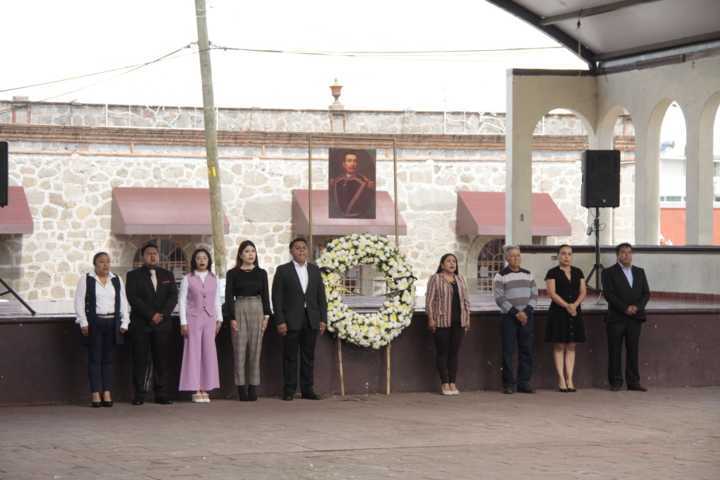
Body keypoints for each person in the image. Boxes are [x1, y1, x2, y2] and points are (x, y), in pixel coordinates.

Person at [271, 237, 328, 401]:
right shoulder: (283, 270)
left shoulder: (314, 270)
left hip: (311, 319)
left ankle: (307, 389)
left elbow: (321, 297)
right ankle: (289, 390)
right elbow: (277, 298)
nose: (301, 250)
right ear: (291, 251)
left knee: (308, 356)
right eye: (297, 248)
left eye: (304, 248)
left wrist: (323, 319)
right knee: (290, 356)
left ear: (307, 251)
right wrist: (280, 321)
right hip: (290, 320)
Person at [74, 252, 129, 408]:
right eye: (101, 262)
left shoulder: (116, 279)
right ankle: (95, 393)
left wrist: (125, 321)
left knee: (108, 360)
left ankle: (107, 392)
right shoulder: (86, 279)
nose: (105, 265)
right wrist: (83, 322)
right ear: (95, 264)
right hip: (95, 322)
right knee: (94, 359)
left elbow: (123, 302)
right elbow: (79, 302)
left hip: (112, 322)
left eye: (108, 262)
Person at [126, 242, 179, 405]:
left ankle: (161, 394)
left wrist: (162, 314)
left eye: (155, 253)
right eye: (149, 253)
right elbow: (133, 298)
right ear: (143, 256)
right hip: (141, 324)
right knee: (140, 360)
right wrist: (151, 315)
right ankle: (139, 394)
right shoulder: (133, 275)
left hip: (162, 324)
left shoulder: (167, 275)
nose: (152, 256)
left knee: (161, 360)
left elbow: (173, 297)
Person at [225, 240, 271, 401]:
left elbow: (266, 295)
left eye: (253, 251)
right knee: (239, 350)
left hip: (257, 308)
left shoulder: (262, 273)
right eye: (246, 251)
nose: (250, 254)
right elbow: (229, 297)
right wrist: (232, 317)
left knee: (255, 350)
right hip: (239, 308)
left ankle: (253, 387)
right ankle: (241, 388)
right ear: (240, 255)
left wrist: (266, 316)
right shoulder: (232, 273)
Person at [601, 242, 651, 392]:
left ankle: (633, 382)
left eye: (629, 252)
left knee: (633, 350)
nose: (626, 255)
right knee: (615, 350)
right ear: (617, 255)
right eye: (623, 252)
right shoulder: (608, 272)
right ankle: (616, 382)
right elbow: (609, 294)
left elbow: (646, 293)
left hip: (635, 318)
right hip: (616, 318)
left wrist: (637, 307)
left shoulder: (639, 272)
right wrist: (625, 308)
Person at [178, 248, 222, 403]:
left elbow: (217, 300)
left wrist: (219, 319)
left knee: (208, 353)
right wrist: (183, 322)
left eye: (204, 258)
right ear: (194, 261)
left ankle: (205, 387)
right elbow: (182, 301)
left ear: (209, 260)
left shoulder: (214, 278)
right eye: (198, 258)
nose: (202, 260)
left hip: (210, 319)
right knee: (193, 353)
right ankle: (195, 388)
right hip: (193, 319)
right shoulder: (187, 278)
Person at [493, 245, 538, 394]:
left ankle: (524, 383)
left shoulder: (528, 274)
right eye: (512, 256)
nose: (516, 258)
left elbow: (534, 294)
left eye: (518, 255)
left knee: (526, 350)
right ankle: (509, 384)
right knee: (508, 351)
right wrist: (515, 313)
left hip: (527, 317)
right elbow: (499, 297)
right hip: (508, 318)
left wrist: (526, 311)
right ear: (507, 258)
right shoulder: (501, 276)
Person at [425, 253, 471, 396]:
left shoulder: (460, 279)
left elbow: (466, 301)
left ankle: (453, 383)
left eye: (454, 261)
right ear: (442, 264)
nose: (452, 264)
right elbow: (429, 300)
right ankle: (444, 383)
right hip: (441, 321)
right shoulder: (436, 279)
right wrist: (431, 318)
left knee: (454, 353)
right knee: (442, 353)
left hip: (459, 321)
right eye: (449, 261)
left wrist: (467, 319)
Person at [544, 245, 587, 392]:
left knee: (571, 345)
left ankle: (570, 379)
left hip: (575, 311)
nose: (566, 257)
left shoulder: (578, 271)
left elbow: (583, 291)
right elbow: (552, 293)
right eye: (563, 253)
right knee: (559, 345)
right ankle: (561, 379)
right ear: (558, 256)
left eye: (569, 254)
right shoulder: (552, 272)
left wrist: (574, 305)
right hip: (558, 312)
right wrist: (567, 305)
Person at [329, 151, 375, 218]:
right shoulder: (337, 181)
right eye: (349, 161)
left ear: (357, 164)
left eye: (354, 161)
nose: (352, 164)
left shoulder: (365, 182)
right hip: (339, 217)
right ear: (344, 164)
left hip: (358, 217)